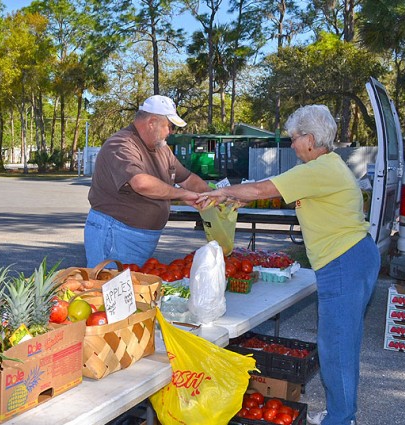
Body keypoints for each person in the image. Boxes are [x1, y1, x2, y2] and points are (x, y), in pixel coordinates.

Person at [199, 105, 377, 425]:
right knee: (341, 342)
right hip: (353, 258)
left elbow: (261, 188)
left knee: (336, 347)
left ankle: (341, 419)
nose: (292, 144)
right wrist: (241, 198)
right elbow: (271, 193)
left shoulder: (318, 169)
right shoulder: (327, 167)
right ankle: (341, 412)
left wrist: (223, 192)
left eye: (294, 138)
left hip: (344, 262)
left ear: (310, 139)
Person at [84, 95, 210, 268]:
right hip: (116, 236)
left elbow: (187, 178)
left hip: (140, 237)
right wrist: (183, 194)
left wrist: (215, 195)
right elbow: (141, 183)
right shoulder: (122, 144)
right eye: (169, 126)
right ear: (152, 122)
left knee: (135, 290)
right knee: (110, 289)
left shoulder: (162, 149)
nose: (171, 132)